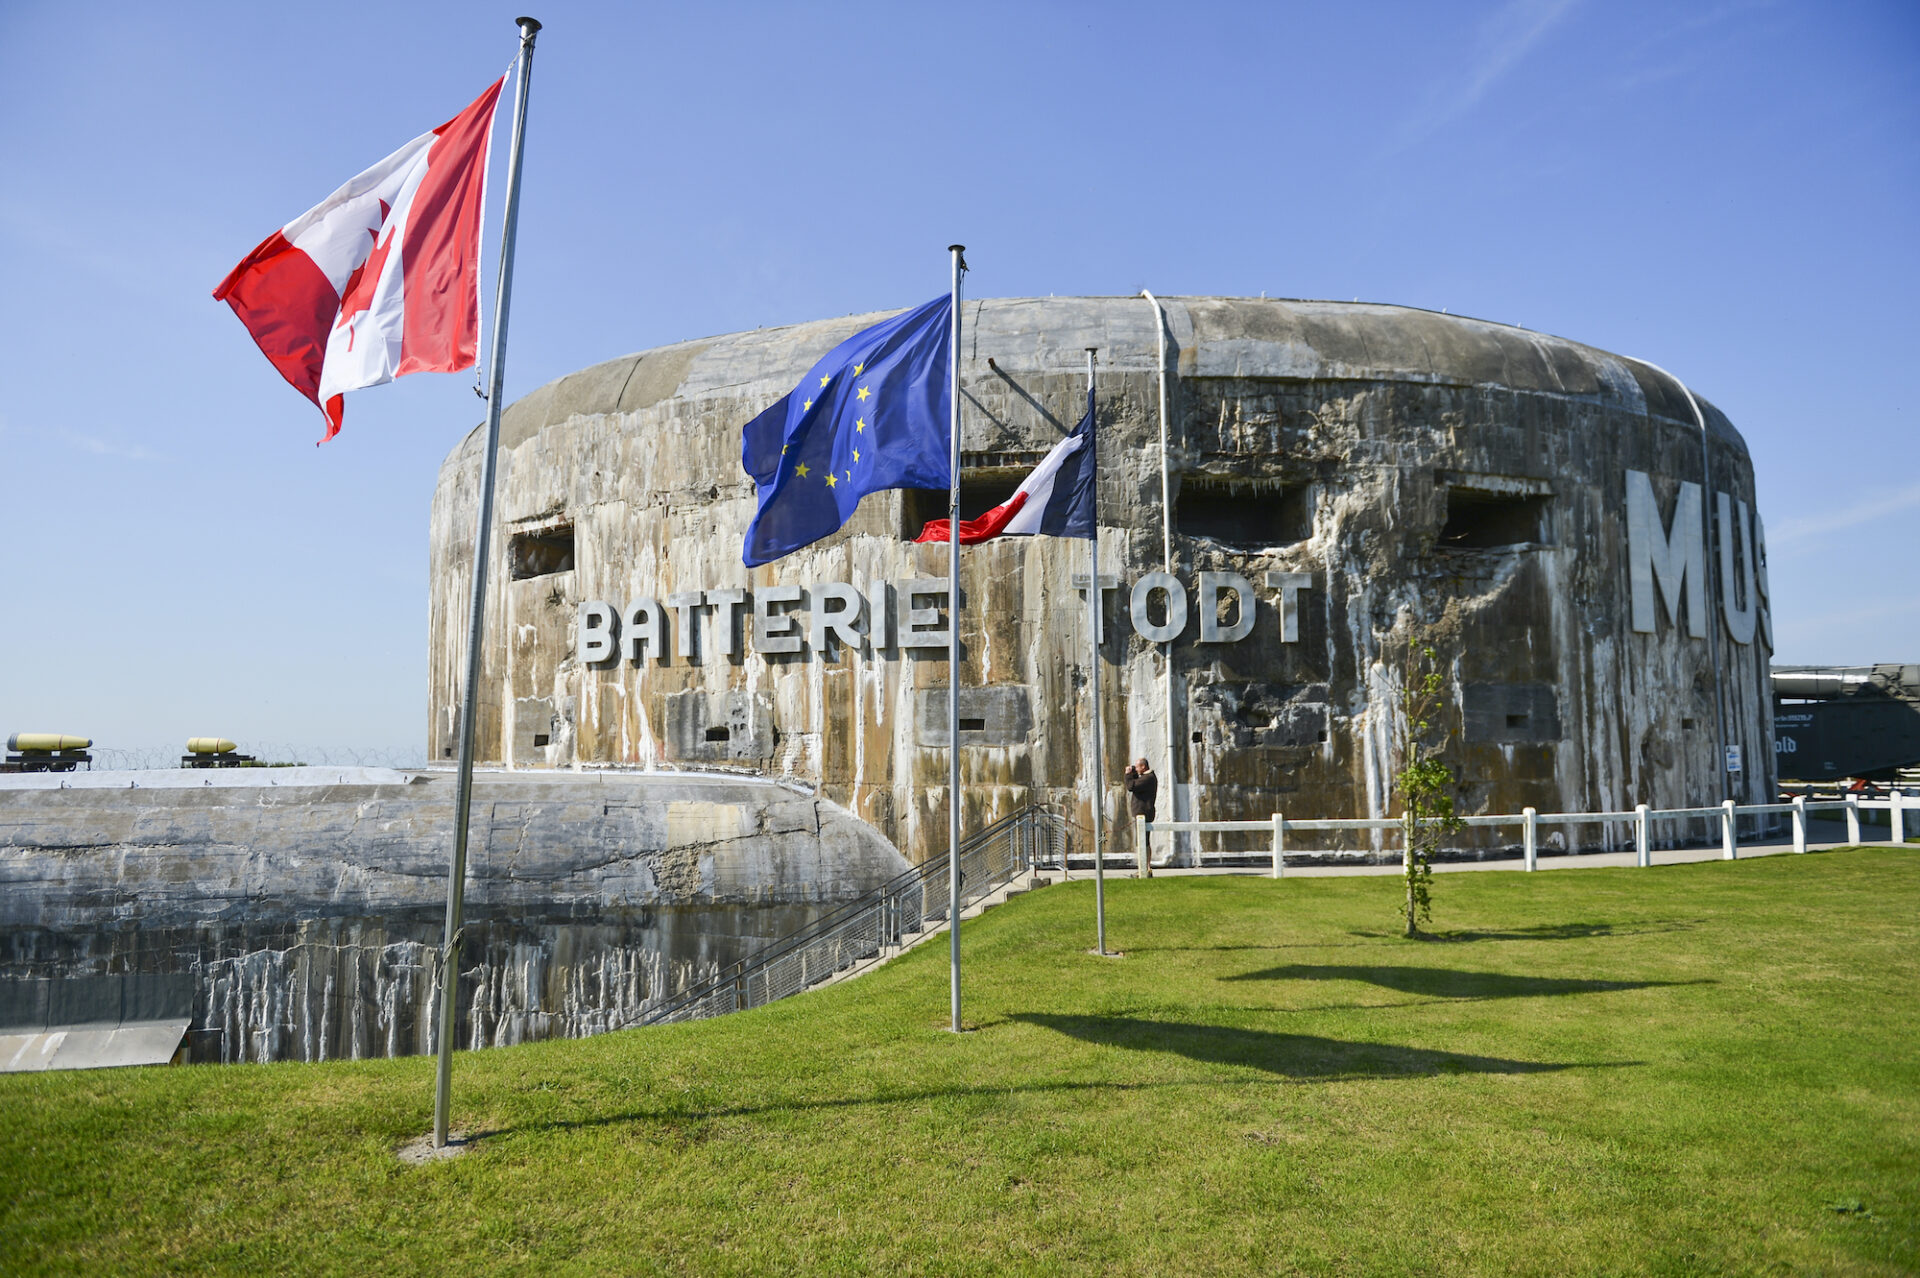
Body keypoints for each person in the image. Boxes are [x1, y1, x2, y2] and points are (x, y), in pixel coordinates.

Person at [1124, 758, 1158, 867]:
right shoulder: (1147, 777)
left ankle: (1146, 867)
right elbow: (1136, 784)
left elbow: (1131, 786)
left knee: (1144, 841)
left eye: (1137, 767)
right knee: (1142, 841)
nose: (1136, 768)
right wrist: (1134, 774)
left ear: (1143, 767)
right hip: (1142, 814)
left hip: (1144, 814)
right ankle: (1144, 866)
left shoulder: (1148, 778)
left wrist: (1128, 774)